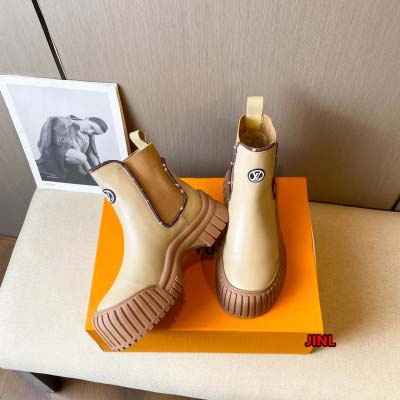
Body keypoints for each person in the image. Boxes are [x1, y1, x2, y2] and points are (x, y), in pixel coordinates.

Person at [36, 115, 108, 182]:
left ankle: (85, 171)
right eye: (91, 127)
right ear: (87, 118)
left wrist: (100, 171)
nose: (90, 131)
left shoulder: (89, 135)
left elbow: (92, 153)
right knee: (82, 158)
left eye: (95, 133)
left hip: (77, 155)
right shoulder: (64, 123)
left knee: (84, 156)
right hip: (60, 151)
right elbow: (65, 145)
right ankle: (80, 169)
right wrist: (91, 172)